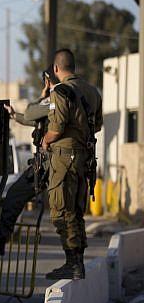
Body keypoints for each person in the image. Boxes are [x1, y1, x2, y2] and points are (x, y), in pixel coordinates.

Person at [41, 49, 102, 280]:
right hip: (84, 158)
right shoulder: (93, 92)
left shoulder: (61, 91)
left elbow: (55, 130)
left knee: (61, 211)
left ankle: (72, 263)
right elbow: (97, 125)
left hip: (64, 158)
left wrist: (45, 141)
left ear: (56, 69)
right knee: (75, 211)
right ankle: (77, 261)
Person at [0, 72, 52, 256]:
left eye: (45, 81)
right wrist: (13, 115)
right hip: (52, 163)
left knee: (16, 195)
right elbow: (34, 119)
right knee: (15, 195)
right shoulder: (68, 97)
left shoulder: (58, 98)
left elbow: (32, 112)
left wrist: (43, 96)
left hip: (51, 163)